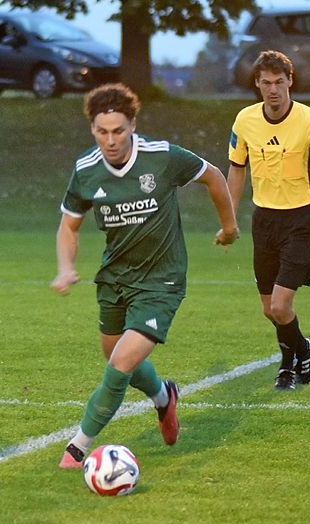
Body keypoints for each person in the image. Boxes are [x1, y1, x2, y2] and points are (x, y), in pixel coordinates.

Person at [52, 83, 240, 469]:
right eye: (102, 132)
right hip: (114, 277)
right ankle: (163, 398)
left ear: (133, 124)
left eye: (118, 130)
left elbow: (214, 176)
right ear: (92, 129)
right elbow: (68, 227)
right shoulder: (86, 170)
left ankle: (78, 446)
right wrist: (66, 267)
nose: (111, 140)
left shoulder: (162, 158)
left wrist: (229, 227)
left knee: (120, 363)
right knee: (114, 355)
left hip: (162, 279)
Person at [226, 50, 310, 391]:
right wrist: (228, 218)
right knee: (269, 309)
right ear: (257, 84)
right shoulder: (245, 120)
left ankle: (286, 367)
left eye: (279, 82)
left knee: (281, 304)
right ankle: (305, 349)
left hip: (301, 221)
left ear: (290, 81)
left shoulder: (309, 120)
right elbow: (236, 171)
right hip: (263, 221)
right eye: (266, 83)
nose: (273, 89)